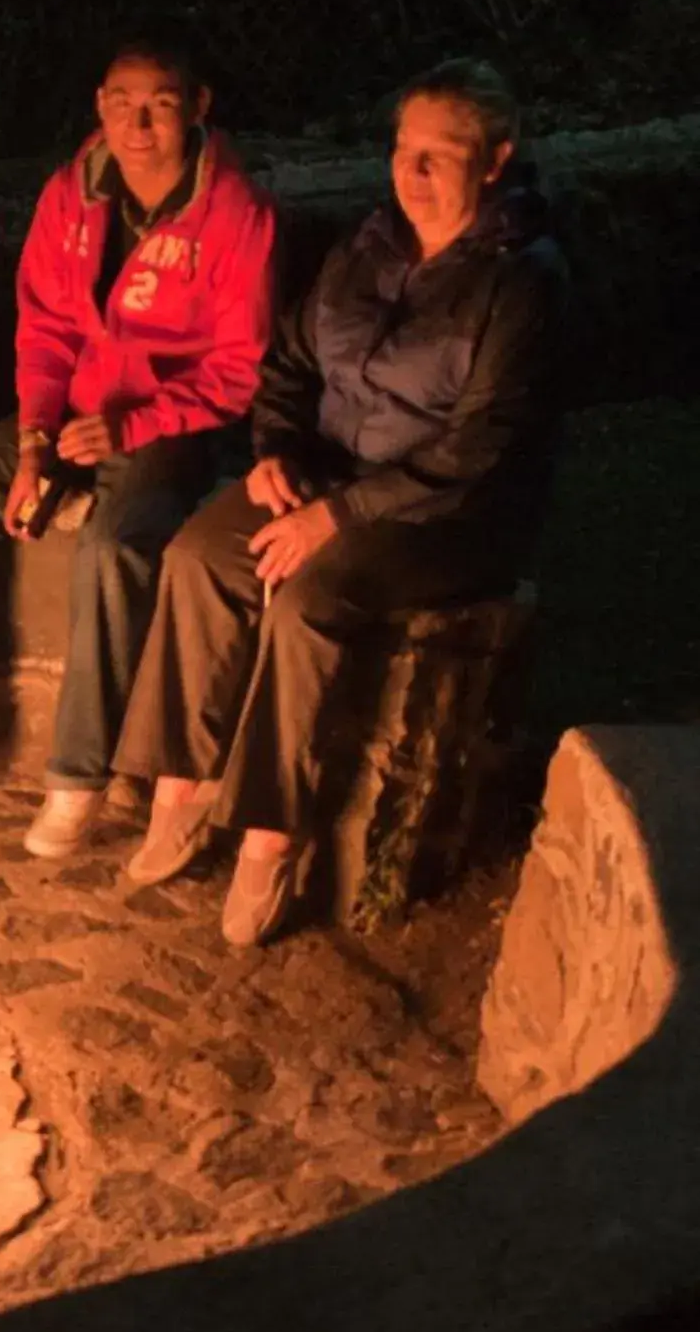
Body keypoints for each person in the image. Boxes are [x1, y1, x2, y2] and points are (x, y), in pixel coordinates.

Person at [115, 60, 565, 945]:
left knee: (311, 602)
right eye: (405, 151)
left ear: (496, 158)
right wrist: (276, 452)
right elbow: (287, 365)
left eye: (441, 155)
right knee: (201, 556)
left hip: (445, 515)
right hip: (326, 472)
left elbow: (477, 448)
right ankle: (183, 780)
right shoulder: (368, 248)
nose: (415, 174)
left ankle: (270, 834)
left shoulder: (523, 281)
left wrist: (336, 516)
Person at [0, 38, 275, 858]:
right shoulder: (76, 190)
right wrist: (33, 439)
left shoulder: (235, 212)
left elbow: (237, 371)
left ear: (197, 107)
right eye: (121, 101)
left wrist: (134, 427)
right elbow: (46, 327)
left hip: (171, 428)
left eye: (161, 104)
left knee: (110, 545)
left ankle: (79, 775)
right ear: (99, 101)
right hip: (68, 417)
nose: (138, 124)